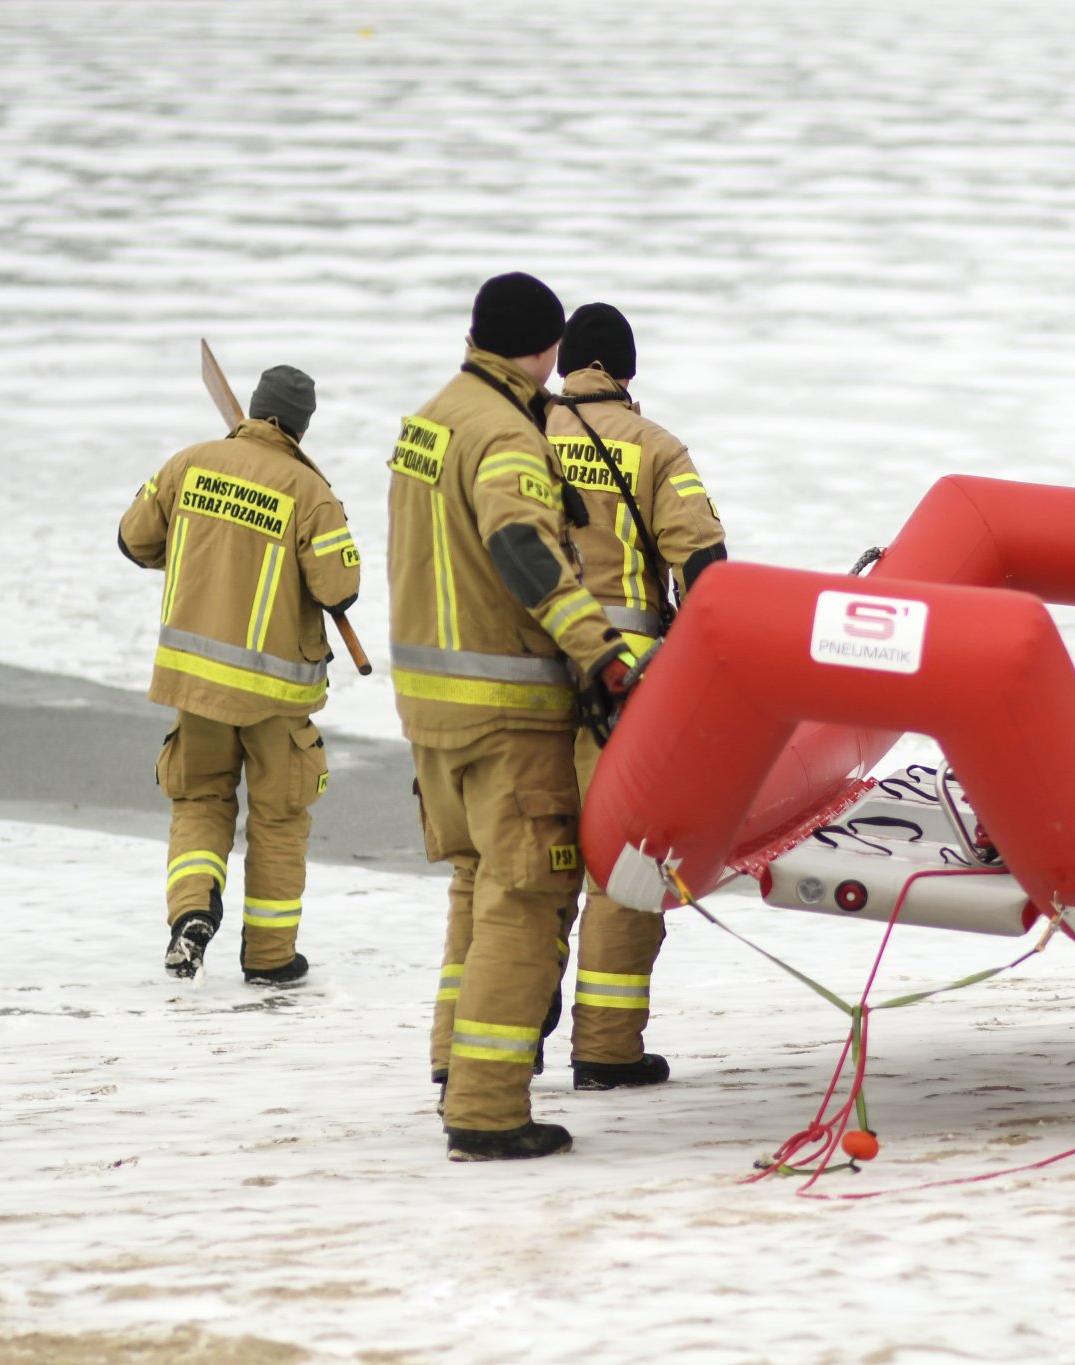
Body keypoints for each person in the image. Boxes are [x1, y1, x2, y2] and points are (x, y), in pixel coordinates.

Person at [388, 273, 635, 1162]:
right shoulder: (505, 434)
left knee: (474, 885)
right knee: (527, 896)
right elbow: (518, 544)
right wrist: (601, 651)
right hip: (506, 712)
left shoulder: (430, 419)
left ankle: (454, 1063)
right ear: (541, 348)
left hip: (431, 706)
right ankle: (488, 1108)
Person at [117, 366, 360, 986]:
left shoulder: (189, 464)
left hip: (194, 684)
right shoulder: (311, 492)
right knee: (279, 817)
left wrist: (204, 545)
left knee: (199, 800)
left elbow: (134, 539)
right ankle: (271, 959)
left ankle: (192, 915)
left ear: (253, 409)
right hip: (275, 697)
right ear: (303, 426)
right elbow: (340, 588)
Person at [545, 303, 727, 1092]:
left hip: (518, 677)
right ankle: (607, 1050)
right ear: (627, 371)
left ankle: (483, 1047)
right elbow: (709, 568)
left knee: (515, 866)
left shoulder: (512, 435)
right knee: (621, 859)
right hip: (620, 685)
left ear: (560, 366)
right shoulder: (656, 447)